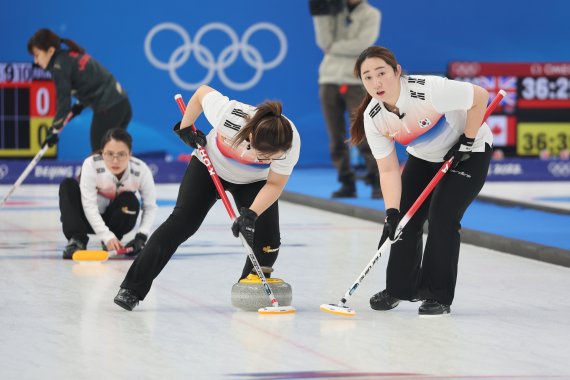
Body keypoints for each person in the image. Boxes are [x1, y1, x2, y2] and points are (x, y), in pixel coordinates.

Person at [113, 85, 301, 311]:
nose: (266, 159)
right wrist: (185, 128)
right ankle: (132, 289)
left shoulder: (289, 144)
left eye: (272, 158)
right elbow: (202, 93)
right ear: (250, 136)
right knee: (181, 224)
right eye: (262, 155)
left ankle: (246, 291)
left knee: (267, 242)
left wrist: (251, 215)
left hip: (255, 182)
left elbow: (275, 183)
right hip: (210, 167)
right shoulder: (230, 115)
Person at [350, 46, 492, 316]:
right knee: (404, 221)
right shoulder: (374, 118)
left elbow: (481, 97)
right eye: (368, 77)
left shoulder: (428, 89)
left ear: (397, 71)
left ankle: (437, 295)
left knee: (442, 216)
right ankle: (400, 289)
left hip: (469, 152)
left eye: (382, 73)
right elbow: (389, 170)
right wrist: (391, 214)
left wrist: (468, 139)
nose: (376, 82)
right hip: (425, 156)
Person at [311, 0, 382, 198]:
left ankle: (377, 180)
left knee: (363, 133)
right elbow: (323, 42)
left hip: (355, 81)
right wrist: (320, 16)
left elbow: (362, 46)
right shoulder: (333, 10)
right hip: (328, 79)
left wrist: (333, 48)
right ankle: (346, 182)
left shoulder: (371, 14)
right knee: (335, 137)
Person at [59, 128, 157, 259]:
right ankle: (77, 240)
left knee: (130, 200)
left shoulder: (141, 170)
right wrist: (106, 236)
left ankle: (115, 238)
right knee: (68, 186)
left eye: (121, 154)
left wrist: (141, 236)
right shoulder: (91, 164)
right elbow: (89, 205)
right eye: (109, 154)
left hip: (117, 219)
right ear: (102, 153)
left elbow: (150, 206)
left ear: (130, 154)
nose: (115, 161)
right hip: (86, 220)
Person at [28, 28, 132, 152]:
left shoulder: (59, 67)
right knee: (116, 157)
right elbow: (92, 82)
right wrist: (80, 104)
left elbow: (63, 102)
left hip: (108, 109)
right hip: (123, 106)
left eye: (37, 55)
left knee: (98, 158)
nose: (36, 61)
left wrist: (54, 129)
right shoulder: (69, 57)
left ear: (50, 51)